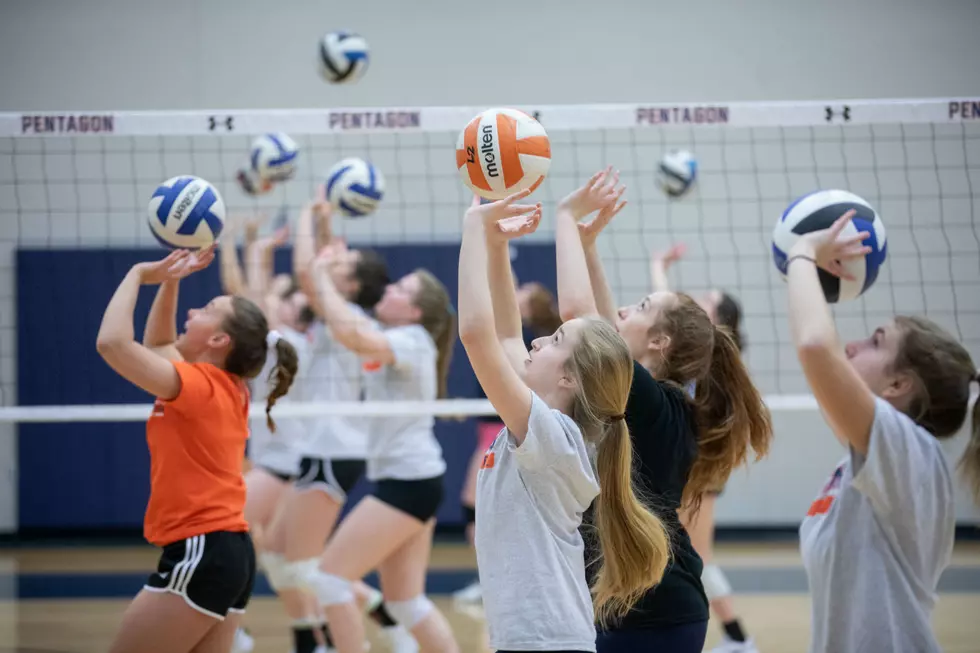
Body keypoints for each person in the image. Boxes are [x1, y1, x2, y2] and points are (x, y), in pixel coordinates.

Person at [557, 168, 773, 652]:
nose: (624, 312)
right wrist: (588, 246)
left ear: (658, 341)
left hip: (655, 616)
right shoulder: (649, 396)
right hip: (634, 606)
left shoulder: (656, 403)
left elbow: (579, 315)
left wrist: (566, 217)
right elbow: (604, 322)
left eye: (641, 305)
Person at [459, 190, 670, 653]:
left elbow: (476, 334)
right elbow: (505, 332)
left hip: (546, 643)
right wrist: (497, 246)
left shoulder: (552, 438)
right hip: (538, 641)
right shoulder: (549, 429)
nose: (536, 343)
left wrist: (474, 228)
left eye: (553, 339)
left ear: (570, 378)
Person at [784, 210, 980, 653]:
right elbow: (824, 372)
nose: (852, 345)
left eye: (875, 340)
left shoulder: (911, 454)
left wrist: (801, 253)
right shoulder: (865, 458)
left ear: (898, 385)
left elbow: (817, 348)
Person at [97, 246, 298, 653]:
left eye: (205, 309)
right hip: (228, 552)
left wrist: (138, 274)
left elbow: (113, 344)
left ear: (220, 339)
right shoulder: (222, 386)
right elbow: (158, 342)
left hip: (202, 548)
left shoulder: (200, 387)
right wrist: (171, 279)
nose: (191, 313)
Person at [298, 242, 459, 653]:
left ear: (416, 310)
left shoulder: (413, 339)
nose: (388, 291)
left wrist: (319, 275)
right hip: (411, 480)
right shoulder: (395, 334)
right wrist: (326, 264)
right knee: (405, 603)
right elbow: (343, 321)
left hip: (409, 482)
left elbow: (351, 333)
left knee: (329, 579)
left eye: (401, 290)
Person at [650, 242, 756, 653]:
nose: (699, 299)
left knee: (697, 557)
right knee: (684, 554)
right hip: (693, 470)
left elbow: (667, 311)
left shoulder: (709, 360)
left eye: (708, 300)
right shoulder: (701, 354)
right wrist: (658, 265)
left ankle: (738, 638)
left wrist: (658, 269)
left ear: (718, 321)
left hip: (700, 472)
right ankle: (733, 637)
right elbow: (668, 310)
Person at [218, 215, 317, 653]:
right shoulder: (274, 346)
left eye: (283, 297)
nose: (273, 299)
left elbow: (246, 299)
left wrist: (244, 247)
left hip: (285, 466)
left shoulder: (291, 345)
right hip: (278, 462)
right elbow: (246, 299)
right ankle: (316, 638)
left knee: (222, 529)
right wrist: (252, 246)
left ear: (295, 312)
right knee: (284, 564)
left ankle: (230, 629)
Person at [454, 278, 561, 606]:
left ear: (529, 309)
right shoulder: (519, 332)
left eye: (522, 296)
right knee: (482, 504)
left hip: (501, 429)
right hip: (492, 424)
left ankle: (490, 580)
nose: (514, 294)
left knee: (476, 503)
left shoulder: (526, 339)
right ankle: (492, 579)